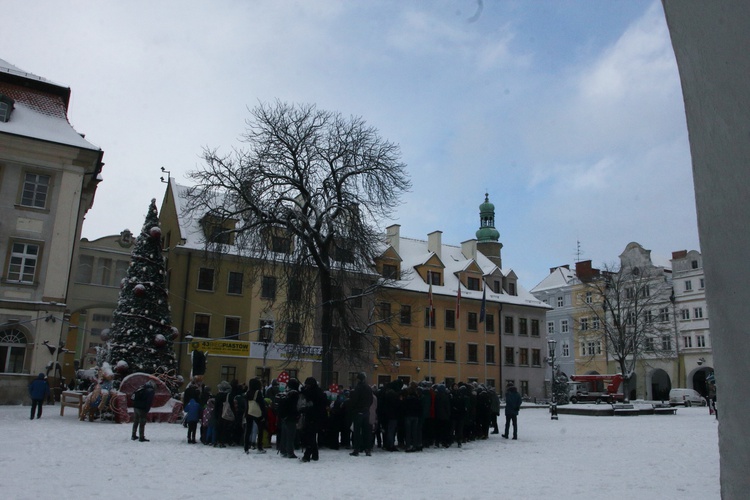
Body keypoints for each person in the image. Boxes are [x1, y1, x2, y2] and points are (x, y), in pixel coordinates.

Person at [300, 376, 327, 462]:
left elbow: (311, 399)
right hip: (316, 417)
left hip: (314, 417)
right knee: (311, 436)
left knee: (310, 437)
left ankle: (307, 455)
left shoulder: (314, 392)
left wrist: (303, 390)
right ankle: (315, 455)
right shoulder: (318, 391)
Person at [349, 372, 373, 457]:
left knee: (357, 432)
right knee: (366, 431)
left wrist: (353, 408)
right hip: (366, 411)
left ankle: (357, 449)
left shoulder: (358, 388)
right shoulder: (368, 388)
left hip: (358, 411)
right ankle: (368, 449)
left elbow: (354, 400)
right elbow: (371, 400)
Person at [244, 378, 267, 454]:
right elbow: (262, 404)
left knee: (248, 430)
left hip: (249, 412)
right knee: (260, 430)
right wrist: (264, 414)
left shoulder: (248, 392)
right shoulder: (258, 392)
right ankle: (259, 446)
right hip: (257, 413)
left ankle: (246, 447)